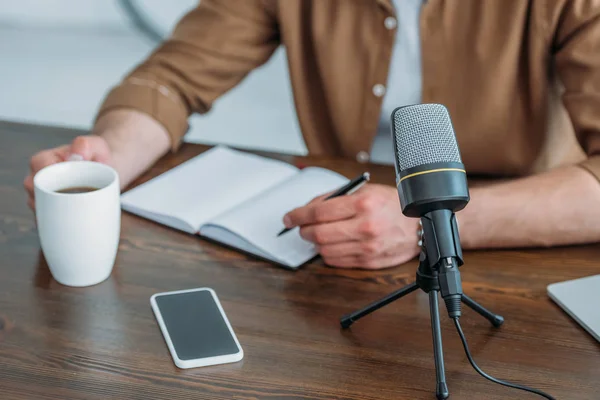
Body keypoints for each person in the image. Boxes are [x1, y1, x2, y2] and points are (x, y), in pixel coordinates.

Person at [24, 0, 600, 269]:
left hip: (513, 242)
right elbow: (170, 80)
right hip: (328, 240)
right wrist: (106, 157)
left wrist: (433, 226)